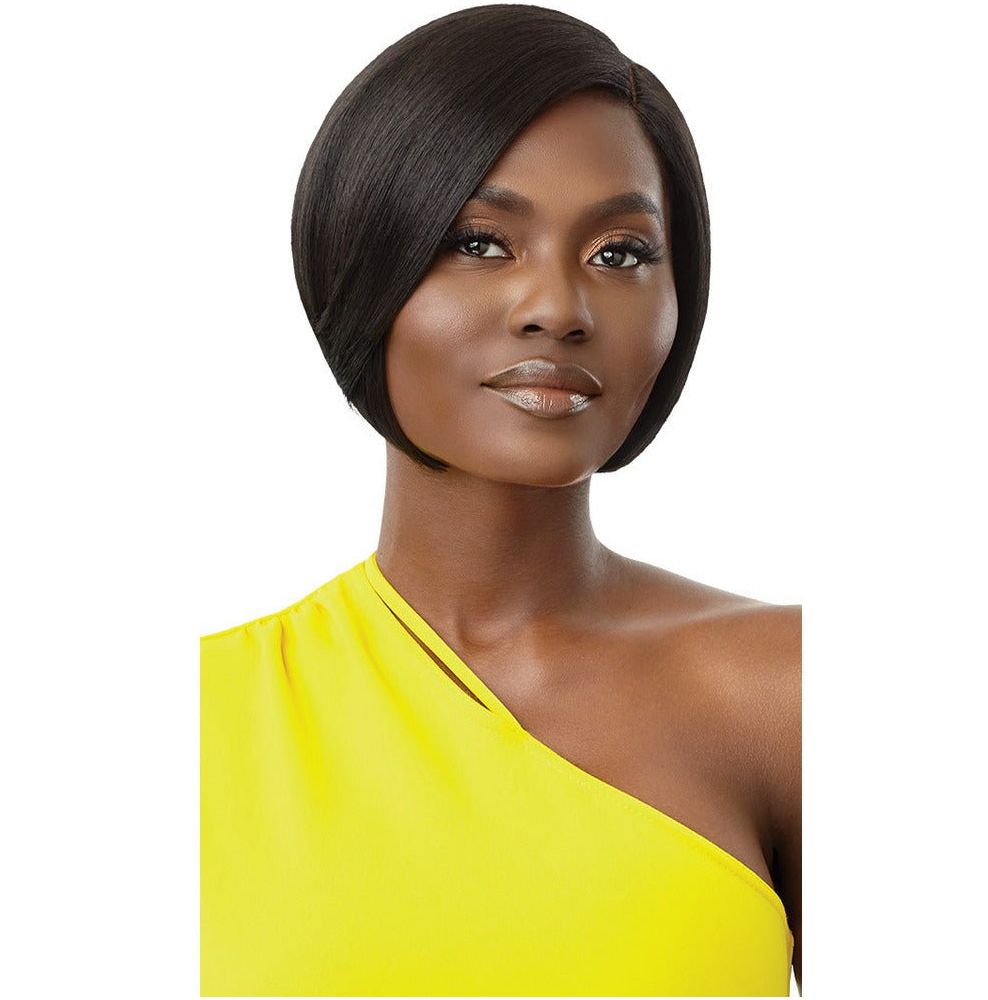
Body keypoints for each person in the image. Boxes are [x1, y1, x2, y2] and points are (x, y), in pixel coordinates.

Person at [201, 5, 801, 996]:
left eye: (620, 253)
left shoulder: (785, 696)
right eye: (481, 243)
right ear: (359, 264)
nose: (558, 307)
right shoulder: (191, 723)